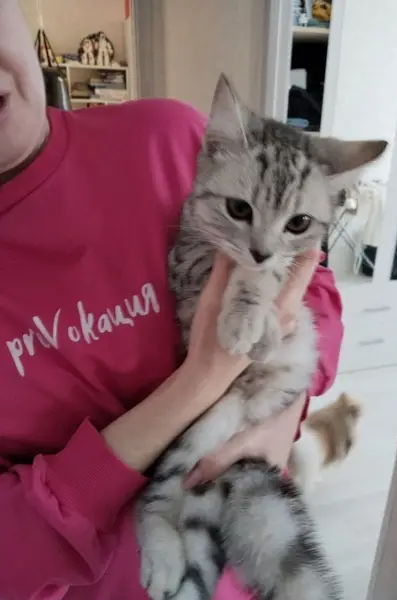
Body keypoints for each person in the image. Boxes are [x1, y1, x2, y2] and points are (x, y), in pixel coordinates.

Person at [0, 1, 343, 599]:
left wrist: (280, 418)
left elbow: (313, 287)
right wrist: (203, 379)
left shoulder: (170, 137)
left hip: (236, 555)